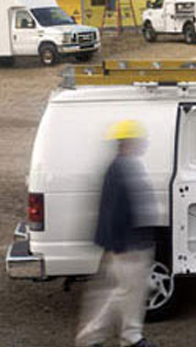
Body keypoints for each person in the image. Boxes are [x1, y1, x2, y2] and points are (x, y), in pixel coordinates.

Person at [75, 120, 159, 347]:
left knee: (128, 293)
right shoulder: (120, 169)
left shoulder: (127, 165)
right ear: (128, 142)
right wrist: (120, 245)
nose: (143, 144)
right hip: (127, 245)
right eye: (139, 140)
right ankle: (95, 338)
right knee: (123, 293)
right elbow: (113, 210)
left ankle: (128, 337)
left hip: (132, 243)